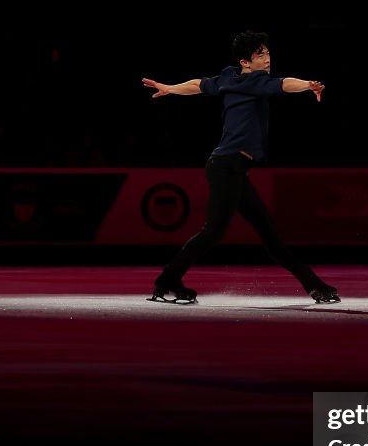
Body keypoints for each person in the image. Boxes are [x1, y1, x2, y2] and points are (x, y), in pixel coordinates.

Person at [142, 30, 340, 305]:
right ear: (246, 62)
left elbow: (200, 84)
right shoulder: (256, 81)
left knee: (269, 235)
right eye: (261, 55)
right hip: (226, 165)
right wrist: (308, 85)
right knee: (214, 231)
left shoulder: (228, 77)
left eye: (268, 52)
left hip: (232, 167)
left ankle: (315, 286)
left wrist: (171, 88)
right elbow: (284, 84)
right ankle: (167, 280)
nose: (268, 58)